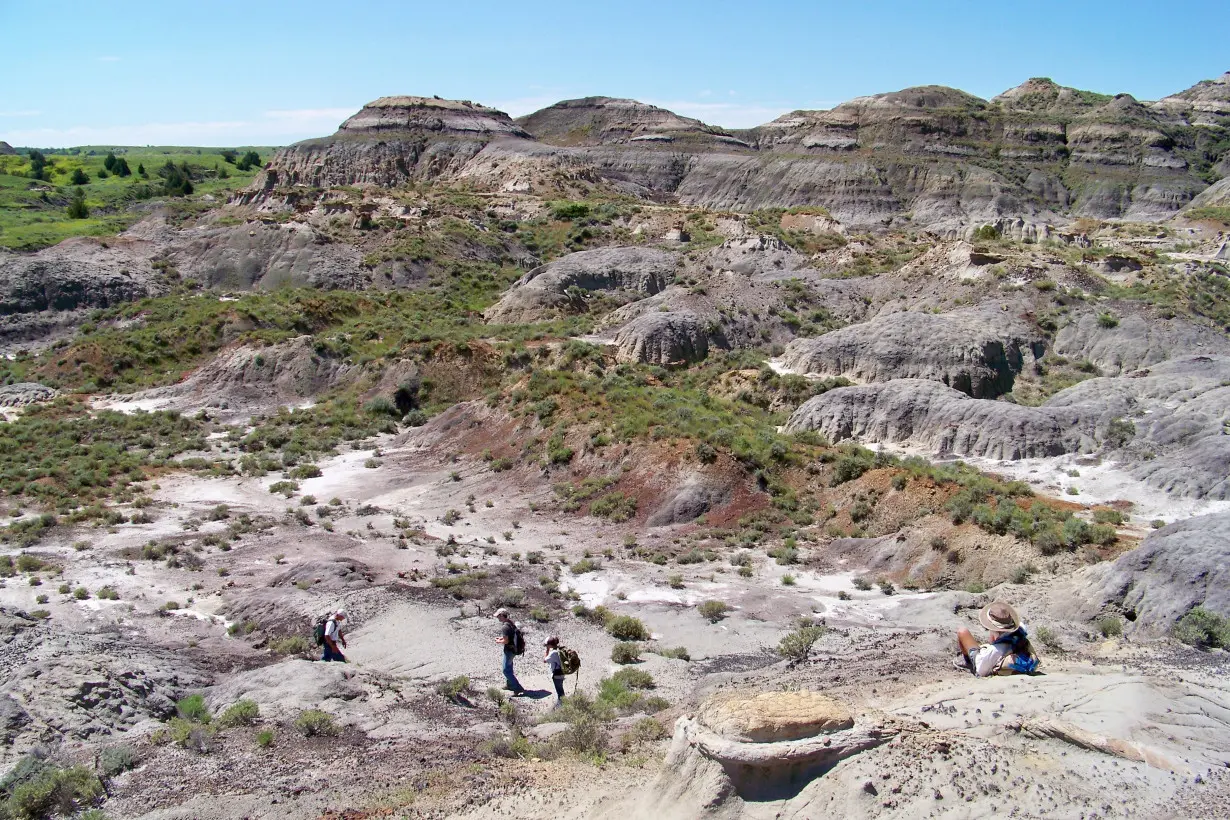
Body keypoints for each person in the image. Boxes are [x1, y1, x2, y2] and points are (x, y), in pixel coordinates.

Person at [956, 601, 1039, 676]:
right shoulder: (1021, 630)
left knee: (962, 632)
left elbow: (980, 671)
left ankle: (967, 662)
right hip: (1012, 651)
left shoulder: (995, 650)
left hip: (991, 657)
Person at [494, 608, 524, 695]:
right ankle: (510, 685)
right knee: (509, 667)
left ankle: (517, 688)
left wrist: (498, 641)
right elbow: (509, 637)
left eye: (498, 616)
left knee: (506, 670)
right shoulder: (510, 623)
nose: (497, 618)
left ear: (502, 615)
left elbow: (506, 641)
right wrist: (501, 638)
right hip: (514, 649)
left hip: (509, 650)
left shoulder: (505, 627)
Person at [543, 636, 565, 705]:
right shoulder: (559, 650)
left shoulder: (553, 653)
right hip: (561, 673)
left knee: (560, 692)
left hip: (557, 674)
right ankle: (561, 704)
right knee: (560, 690)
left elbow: (544, 660)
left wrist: (547, 650)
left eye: (547, 645)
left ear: (550, 645)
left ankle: (561, 706)